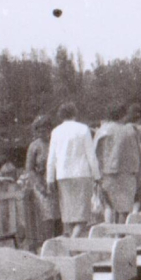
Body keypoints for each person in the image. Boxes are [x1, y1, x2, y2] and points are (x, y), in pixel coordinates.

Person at [46, 102, 101, 238]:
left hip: (63, 176)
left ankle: (72, 245)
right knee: (83, 215)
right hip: (81, 174)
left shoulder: (56, 131)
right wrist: (97, 175)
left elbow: (51, 158)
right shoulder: (83, 129)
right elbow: (91, 155)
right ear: (75, 114)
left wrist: (50, 179)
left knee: (69, 216)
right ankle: (72, 244)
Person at [94, 104, 141, 223]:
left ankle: (110, 236)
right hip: (128, 172)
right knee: (124, 208)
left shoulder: (102, 131)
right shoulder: (130, 130)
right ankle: (120, 235)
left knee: (109, 207)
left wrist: (96, 175)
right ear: (123, 115)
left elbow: (95, 154)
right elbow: (138, 153)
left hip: (107, 173)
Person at [24, 115, 60, 245]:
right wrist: (39, 185)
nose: (42, 133)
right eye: (38, 130)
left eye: (45, 130)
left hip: (56, 183)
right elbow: (29, 169)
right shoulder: (34, 146)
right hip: (41, 184)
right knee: (48, 217)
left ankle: (59, 245)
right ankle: (48, 246)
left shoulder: (56, 142)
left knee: (59, 218)